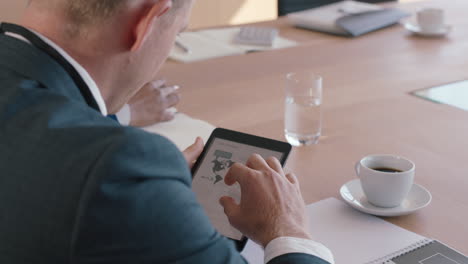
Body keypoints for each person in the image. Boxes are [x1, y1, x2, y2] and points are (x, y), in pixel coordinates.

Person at [0, 0, 334, 263]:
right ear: (146, 23)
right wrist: (289, 231)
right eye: (178, 32)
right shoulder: (118, 168)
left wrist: (153, 188)